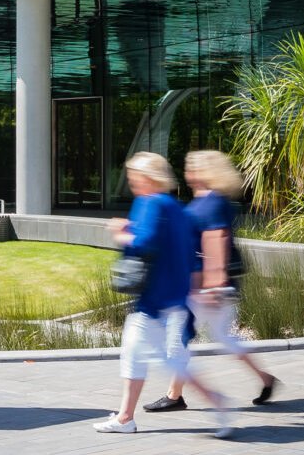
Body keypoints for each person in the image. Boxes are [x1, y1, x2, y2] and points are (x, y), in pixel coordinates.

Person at [96, 152, 234, 437]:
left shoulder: (149, 202)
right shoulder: (175, 207)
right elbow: (182, 249)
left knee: (158, 358)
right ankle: (125, 418)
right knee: (139, 351)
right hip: (173, 294)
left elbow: (144, 243)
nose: (131, 180)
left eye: (134, 175)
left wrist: (121, 232)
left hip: (155, 297)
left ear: (147, 177)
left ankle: (217, 402)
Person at [144, 150, 278, 413]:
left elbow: (217, 239)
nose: (187, 172)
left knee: (178, 340)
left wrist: (214, 284)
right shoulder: (203, 201)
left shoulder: (213, 202)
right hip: (199, 285)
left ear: (202, 172)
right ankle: (265, 379)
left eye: (191, 167)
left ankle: (181, 396)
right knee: (221, 337)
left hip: (205, 287)